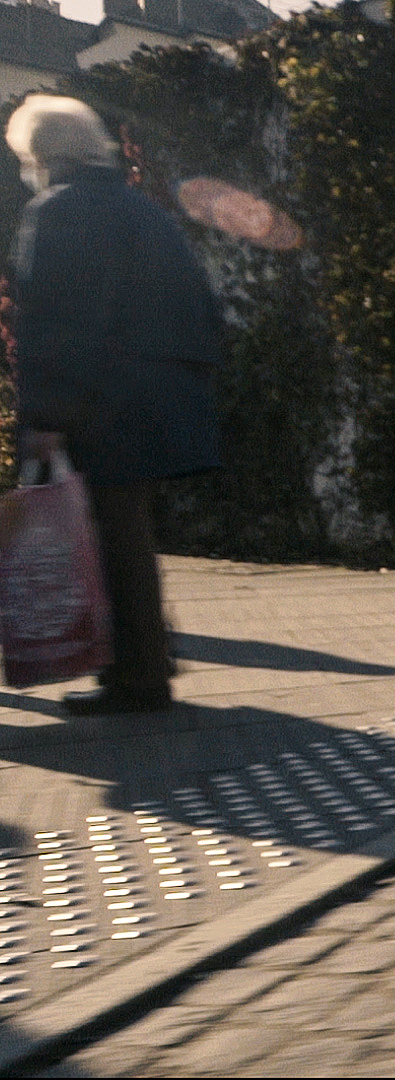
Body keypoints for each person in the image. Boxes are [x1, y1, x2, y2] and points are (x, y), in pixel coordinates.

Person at [7, 95, 223, 715]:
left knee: (113, 539)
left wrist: (44, 419)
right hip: (161, 401)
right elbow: (200, 307)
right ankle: (145, 665)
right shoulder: (144, 212)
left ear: (45, 156)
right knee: (127, 534)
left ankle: (138, 679)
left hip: (103, 403)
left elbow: (53, 325)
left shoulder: (58, 213)